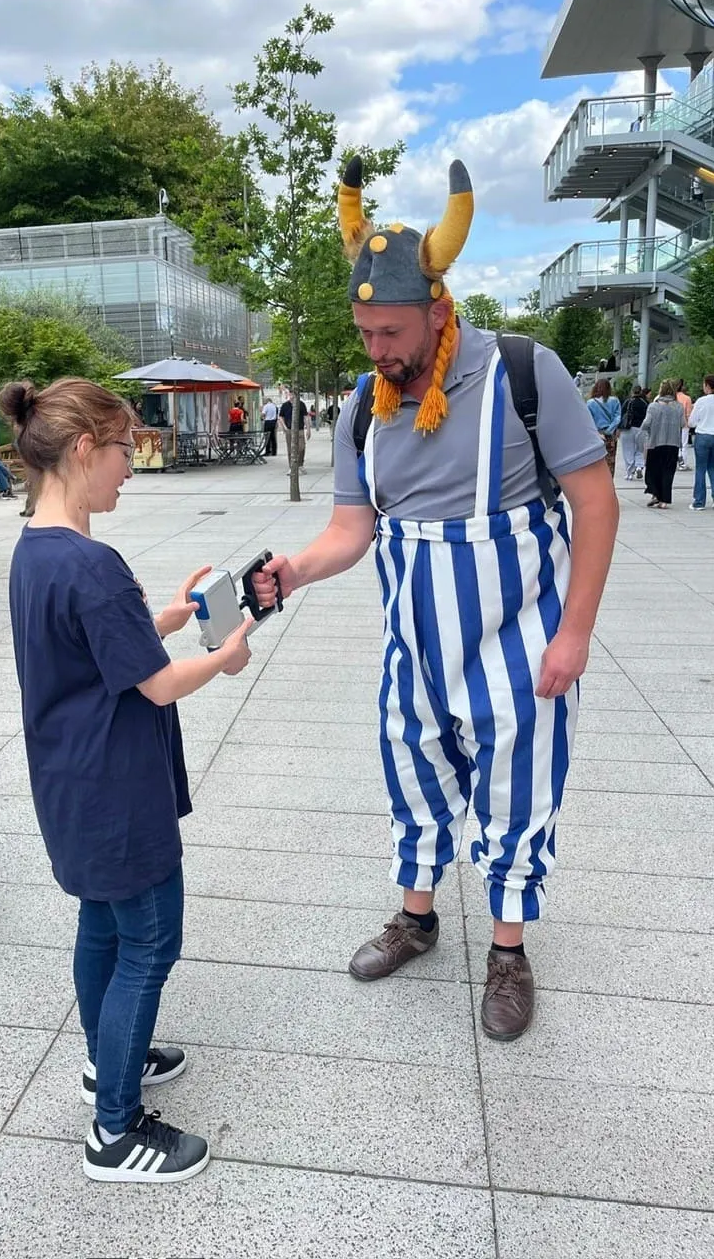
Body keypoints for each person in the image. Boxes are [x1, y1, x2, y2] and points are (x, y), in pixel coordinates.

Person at [253, 156, 617, 1041]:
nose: (376, 350)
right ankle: (416, 921)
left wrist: (573, 635)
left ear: (439, 310)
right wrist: (294, 570)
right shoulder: (363, 407)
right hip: (413, 643)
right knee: (413, 772)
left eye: (390, 332)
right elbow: (352, 529)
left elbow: (597, 503)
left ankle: (508, 951)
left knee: (516, 791)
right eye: (364, 333)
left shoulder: (524, 372)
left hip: (519, 640)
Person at [3, 375, 253, 1184]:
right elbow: (158, 684)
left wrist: (172, 615)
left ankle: (107, 1060)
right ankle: (114, 1130)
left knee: (103, 927)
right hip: (117, 790)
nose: (129, 468)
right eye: (123, 449)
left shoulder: (36, 551)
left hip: (72, 784)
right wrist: (224, 655)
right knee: (149, 939)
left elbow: (100, 643)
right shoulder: (93, 563)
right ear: (84, 449)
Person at [640, 379, 684, 509]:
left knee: (653, 470)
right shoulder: (679, 406)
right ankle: (664, 500)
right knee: (668, 472)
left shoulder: (653, 406)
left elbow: (646, 423)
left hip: (656, 442)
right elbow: (683, 423)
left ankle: (655, 494)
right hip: (673, 443)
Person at [688, 374, 714, 509]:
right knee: (713, 468)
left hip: (703, 435)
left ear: (708, 386)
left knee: (700, 469)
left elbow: (691, 422)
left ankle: (699, 501)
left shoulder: (701, 401)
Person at [586, 379, 621, 474]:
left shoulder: (590, 403)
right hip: (610, 435)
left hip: (596, 435)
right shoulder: (614, 401)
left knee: (596, 462)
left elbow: (588, 421)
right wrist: (610, 430)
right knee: (610, 462)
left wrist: (596, 432)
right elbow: (617, 418)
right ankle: (609, 480)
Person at [618, 385, 648, 481]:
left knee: (628, 450)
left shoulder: (628, 402)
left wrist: (618, 429)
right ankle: (639, 466)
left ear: (632, 392)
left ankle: (630, 473)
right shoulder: (645, 403)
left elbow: (621, 415)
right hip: (641, 428)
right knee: (639, 449)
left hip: (628, 428)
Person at [279, 396, 310, 469]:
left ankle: (300, 464)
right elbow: (281, 417)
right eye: (290, 394)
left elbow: (305, 417)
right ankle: (292, 467)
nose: (291, 396)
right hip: (289, 429)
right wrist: (284, 427)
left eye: (293, 394)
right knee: (290, 449)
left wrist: (308, 429)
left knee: (302, 447)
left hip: (300, 429)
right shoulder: (285, 405)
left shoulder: (301, 404)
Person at [676, 379, 693, 470]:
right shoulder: (687, 398)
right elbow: (688, 413)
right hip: (684, 424)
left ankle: (676, 460)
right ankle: (683, 464)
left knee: (675, 444)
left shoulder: (672, 397)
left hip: (673, 424)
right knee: (684, 444)